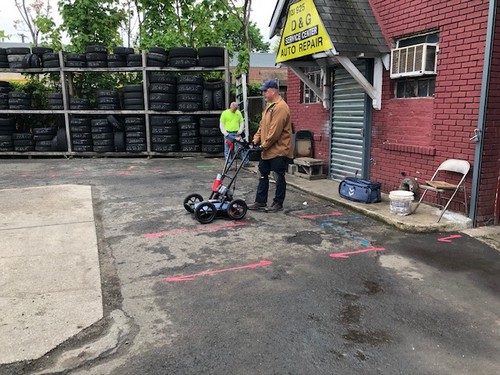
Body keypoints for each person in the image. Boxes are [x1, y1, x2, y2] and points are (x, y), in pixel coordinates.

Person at [248, 79, 293, 212]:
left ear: (273, 90)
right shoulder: (269, 107)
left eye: (265, 91)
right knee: (262, 173)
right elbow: (262, 126)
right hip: (267, 150)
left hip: (279, 150)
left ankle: (278, 203)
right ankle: (260, 201)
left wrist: (264, 145)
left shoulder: (281, 107)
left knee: (278, 176)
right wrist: (254, 140)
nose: (263, 94)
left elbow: (275, 132)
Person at [219, 101, 249, 167]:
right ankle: (229, 164)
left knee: (242, 147)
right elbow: (221, 124)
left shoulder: (238, 113)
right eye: (234, 109)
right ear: (230, 107)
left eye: (236, 109)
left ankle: (246, 162)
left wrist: (240, 130)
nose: (235, 110)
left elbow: (241, 122)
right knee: (227, 149)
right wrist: (225, 133)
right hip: (228, 133)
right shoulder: (225, 113)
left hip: (236, 133)